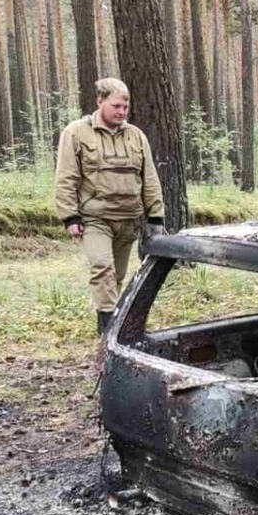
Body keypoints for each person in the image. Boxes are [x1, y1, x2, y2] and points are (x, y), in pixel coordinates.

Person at [54, 78, 165, 334]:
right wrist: (70, 217)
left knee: (116, 275)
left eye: (125, 107)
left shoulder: (136, 136)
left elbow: (149, 179)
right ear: (100, 101)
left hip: (128, 219)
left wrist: (156, 216)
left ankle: (111, 318)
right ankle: (109, 329)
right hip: (95, 219)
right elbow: (66, 176)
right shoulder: (76, 133)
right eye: (116, 106)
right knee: (102, 267)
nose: (121, 111)